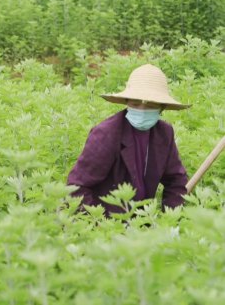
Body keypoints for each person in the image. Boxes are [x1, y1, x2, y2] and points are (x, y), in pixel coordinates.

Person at [67, 64, 190, 215]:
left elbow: (176, 181)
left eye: (151, 105)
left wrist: (171, 219)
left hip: (142, 221)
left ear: (162, 107)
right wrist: (97, 223)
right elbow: (77, 186)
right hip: (106, 221)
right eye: (135, 103)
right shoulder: (106, 133)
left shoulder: (164, 133)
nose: (142, 110)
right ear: (126, 101)